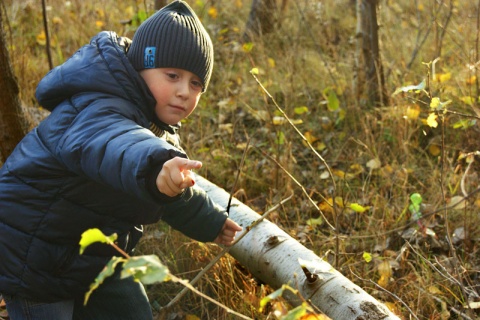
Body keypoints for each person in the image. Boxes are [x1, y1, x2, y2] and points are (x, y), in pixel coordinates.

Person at [0, 1, 243, 319]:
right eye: (172, 75)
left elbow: (167, 191)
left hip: (92, 253)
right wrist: (157, 164)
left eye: (196, 84)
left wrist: (208, 220)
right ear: (142, 67)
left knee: (132, 311)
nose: (185, 91)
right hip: (32, 257)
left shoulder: (158, 130)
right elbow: (119, 144)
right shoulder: (98, 108)